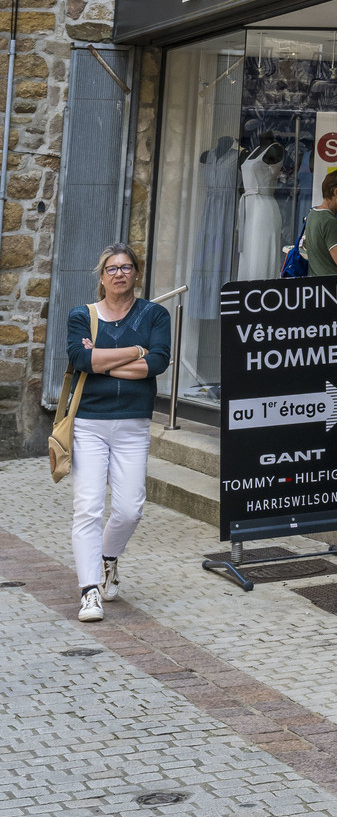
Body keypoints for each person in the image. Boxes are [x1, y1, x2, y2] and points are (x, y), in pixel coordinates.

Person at [66, 243, 171, 623]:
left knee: (129, 510)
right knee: (88, 507)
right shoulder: (82, 315)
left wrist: (103, 362)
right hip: (88, 423)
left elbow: (157, 362)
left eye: (126, 267)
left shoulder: (155, 314)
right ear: (101, 276)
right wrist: (135, 351)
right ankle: (89, 590)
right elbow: (80, 358)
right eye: (112, 268)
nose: (119, 274)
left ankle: (108, 558)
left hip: (133, 424)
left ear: (136, 274)